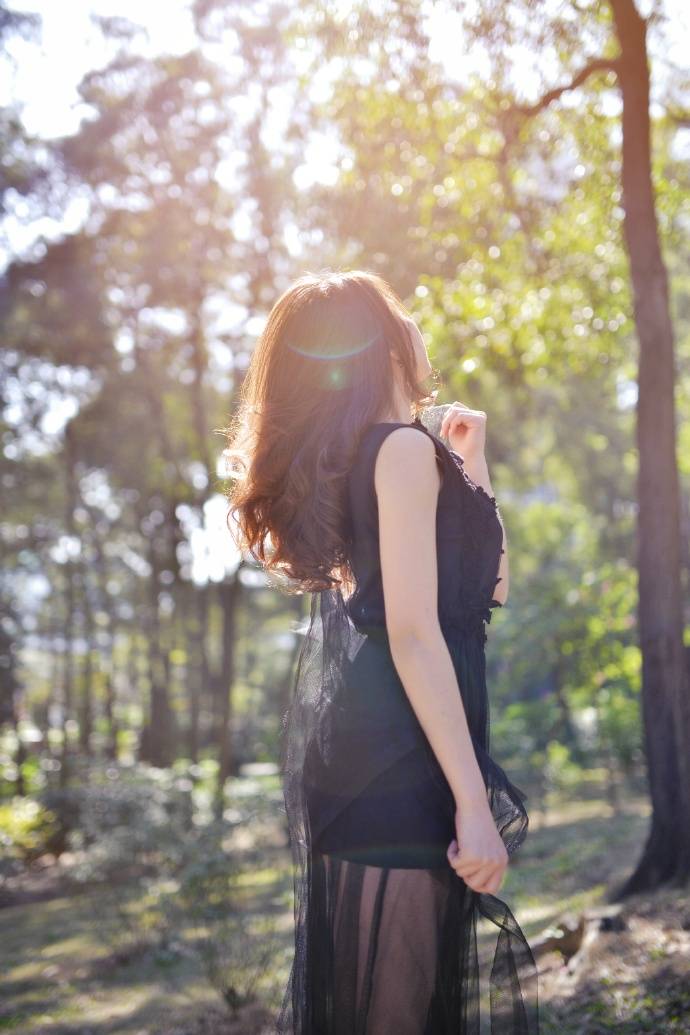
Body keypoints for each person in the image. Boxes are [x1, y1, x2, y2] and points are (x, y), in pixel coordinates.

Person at [224, 268, 540, 1034]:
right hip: (391, 763)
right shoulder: (396, 451)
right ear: (382, 343)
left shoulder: (405, 451)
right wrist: (474, 803)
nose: (414, 322)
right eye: (399, 313)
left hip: (393, 751)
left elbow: (485, 597)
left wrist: (471, 463)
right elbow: (413, 632)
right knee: (392, 1015)